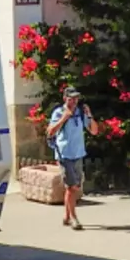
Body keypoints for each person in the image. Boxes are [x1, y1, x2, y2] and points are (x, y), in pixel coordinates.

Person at [46, 88, 94, 229]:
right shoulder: (58, 112)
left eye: (76, 98)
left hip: (78, 153)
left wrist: (89, 115)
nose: (74, 101)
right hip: (64, 153)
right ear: (64, 98)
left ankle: (66, 216)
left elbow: (94, 130)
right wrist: (64, 118)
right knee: (72, 187)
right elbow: (50, 132)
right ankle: (74, 218)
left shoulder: (80, 113)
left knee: (75, 187)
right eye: (71, 98)